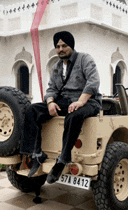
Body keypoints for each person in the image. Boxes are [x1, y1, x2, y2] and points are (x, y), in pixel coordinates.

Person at [20, 31, 102, 183]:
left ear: (71, 46)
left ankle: (63, 158)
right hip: (64, 101)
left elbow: (93, 82)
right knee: (32, 110)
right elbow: (51, 89)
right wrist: (50, 102)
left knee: (75, 114)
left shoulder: (84, 59)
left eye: (64, 46)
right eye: (57, 46)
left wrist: (80, 101)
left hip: (89, 101)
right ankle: (36, 154)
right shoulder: (56, 67)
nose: (60, 49)